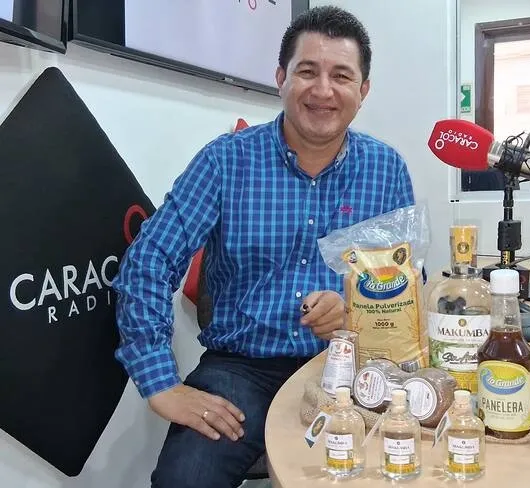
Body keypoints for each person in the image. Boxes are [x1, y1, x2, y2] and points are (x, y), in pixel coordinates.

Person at [112, 5, 416, 488]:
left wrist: (354, 308)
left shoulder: (386, 169)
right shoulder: (225, 161)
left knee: (399, 468)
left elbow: (401, 284)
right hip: (243, 369)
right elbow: (149, 262)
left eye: (341, 76)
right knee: (183, 480)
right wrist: (161, 383)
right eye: (307, 71)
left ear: (363, 90)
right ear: (280, 78)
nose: (323, 90)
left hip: (352, 364)